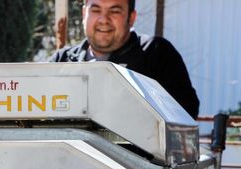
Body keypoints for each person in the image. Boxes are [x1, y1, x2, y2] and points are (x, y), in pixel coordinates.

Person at [50, 0, 200, 118]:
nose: (104, 19)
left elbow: (185, 114)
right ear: (84, 14)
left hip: (136, 157)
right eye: (96, 10)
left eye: (114, 11)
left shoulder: (156, 53)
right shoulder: (62, 60)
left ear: (131, 18)